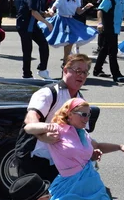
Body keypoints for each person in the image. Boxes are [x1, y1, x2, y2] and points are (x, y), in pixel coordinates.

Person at [16, 54, 91, 183]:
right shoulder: (49, 93)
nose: (82, 75)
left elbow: (81, 133)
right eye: (78, 71)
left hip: (60, 162)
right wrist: (43, 136)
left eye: (85, 72)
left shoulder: (80, 100)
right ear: (66, 70)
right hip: (35, 158)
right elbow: (30, 119)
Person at [38, 0, 96, 65]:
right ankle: (65, 63)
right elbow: (54, 7)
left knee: (70, 42)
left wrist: (86, 7)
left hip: (71, 20)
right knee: (67, 43)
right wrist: (51, 11)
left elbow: (79, 12)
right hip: (61, 20)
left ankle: (65, 63)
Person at [94, 0, 124, 84]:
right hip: (109, 26)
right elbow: (100, 9)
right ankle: (117, 75)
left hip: (115, 26)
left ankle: (97, 70)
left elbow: (123, 9)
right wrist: (100, 23)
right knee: (113, 51)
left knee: (105, 48)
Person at [16, 0, 52, 80]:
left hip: (32, 24)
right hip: (24, 25)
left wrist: (46, 14)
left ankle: (42, 70)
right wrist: (47, 22)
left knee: (44, 44)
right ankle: (26, 75)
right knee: (27, 50)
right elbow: (34, 12)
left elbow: (37, 11)